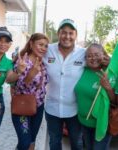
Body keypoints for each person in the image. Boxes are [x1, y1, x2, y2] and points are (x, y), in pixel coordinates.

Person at [43, 18, 85, 150]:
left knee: (76, 143)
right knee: (54, 143)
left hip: (75, 110)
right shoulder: (47, 49)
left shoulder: (83, 53)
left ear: (76, 35)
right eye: (63, 32)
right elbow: (30, 51)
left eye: (71, 33)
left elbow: (102, 62)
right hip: (52, 108)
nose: (67, 36)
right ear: (58, 33)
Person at [11, 33, 49, 150]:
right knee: (24, 142)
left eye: (46, 46)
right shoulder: (22, 61)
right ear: (31, 44)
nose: (43, 48)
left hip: (38, 107)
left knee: (32, 141)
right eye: (40, 44)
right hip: (22, 107)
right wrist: (31, 74)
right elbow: (16, 87)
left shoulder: (43, 62)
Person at [75, 43, 113, 150]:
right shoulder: (82, 70)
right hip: (84, 122)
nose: (93, 58)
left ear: (104, 55)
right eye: (89, 55)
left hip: (101, 124)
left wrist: (108, 88)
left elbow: (116, 99)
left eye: (97, 54)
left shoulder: (109, 72)